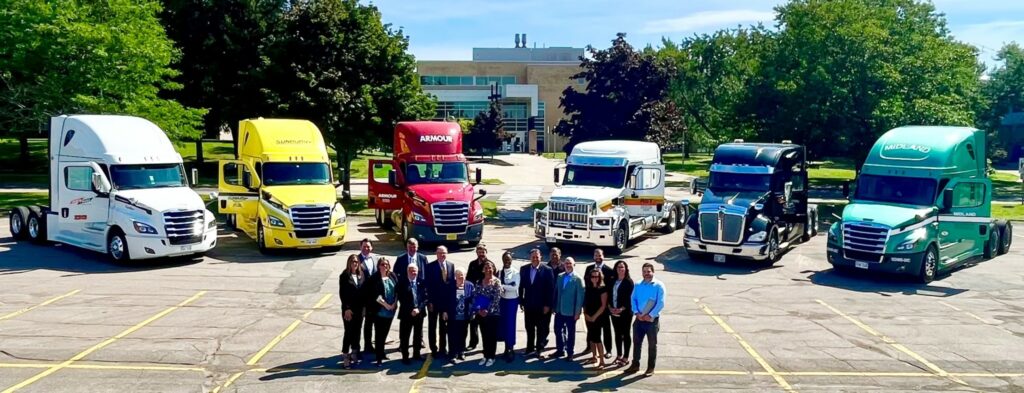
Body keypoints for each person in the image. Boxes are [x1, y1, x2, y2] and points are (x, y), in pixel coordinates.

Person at [625, 263, 666, 376]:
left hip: (651, 321)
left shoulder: (659, 285)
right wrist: (636, 313)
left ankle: (650, 367)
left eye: (648, 271)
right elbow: (633, 299)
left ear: (653, 272)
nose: (646, 274)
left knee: (652, 345)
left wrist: (650, 315)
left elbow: (661, 303)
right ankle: (635, 365)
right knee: (637, 343)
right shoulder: (638, 284)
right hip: (639, 319)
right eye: (644, 271)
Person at [519, 248, 555, 358]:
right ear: (530, 258)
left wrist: (548, 305)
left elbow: (551, 289)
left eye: (537, 257)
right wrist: (521, 301)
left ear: (541, 257)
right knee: (529, 328)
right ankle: (529, 348)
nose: (535, 259)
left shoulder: (547, 270)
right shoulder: (524, 269)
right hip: (529, 305)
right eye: (533, 257)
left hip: (542, 306)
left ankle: (539, 349)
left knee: (541, 329)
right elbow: (521, 287)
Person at [367, 257, 399, 367]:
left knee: (385, 333)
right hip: (380, 311)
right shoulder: (374, 278)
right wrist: (386, 305)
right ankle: (378, 357)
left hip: (391, 311)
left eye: (386, 264)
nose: (384, 266)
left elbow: (397, 291)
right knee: (379, 334)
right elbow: (375, 295)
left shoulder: (392, 276)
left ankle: (382, 352)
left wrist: (394, 304)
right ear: (378, 266)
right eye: (382, 264)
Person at [584, 248, 615, 359]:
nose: (598, 257)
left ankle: (608, 350)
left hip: (604, 306)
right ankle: (589, 347)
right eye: (596, 255)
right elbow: (587, 285)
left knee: (606, 329)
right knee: (591, 328)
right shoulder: (588, 269)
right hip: (591, 304)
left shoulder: (609, 270)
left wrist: (610, 305)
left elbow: (611, 289)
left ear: (603, 256)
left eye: (600, 255)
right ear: (593, 256)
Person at [425, 245, 455, 357]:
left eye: (444, 253)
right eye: (440, 253)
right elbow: (427, 286)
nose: (442, 255)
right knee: (432, 326)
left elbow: (451, 285)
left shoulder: (451, 265)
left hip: (445, 303)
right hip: (433, 302)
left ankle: (443, 348)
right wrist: (429, 302)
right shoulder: (430, 267)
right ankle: (433, 349)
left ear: (447, 254)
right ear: (436, 254)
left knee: (444, 326)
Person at [553, 257, 584, 360]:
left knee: (571, 333)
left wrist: (577, 312)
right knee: (557, 330)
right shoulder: (560, 277)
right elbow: (556, 293)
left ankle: (570, 352)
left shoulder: (578, 279)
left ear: (574, 265)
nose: (568, 265)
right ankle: (560, 350)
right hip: (559, 310)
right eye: (566, 263)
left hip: (571, 312)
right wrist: (555, 307)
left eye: (570, 263)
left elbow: (579, 298)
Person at [339, 254, 366, 369]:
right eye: (352, 261)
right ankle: (345, 355)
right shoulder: (344, 276)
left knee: (357, 331)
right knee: (348, 332)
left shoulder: (361, 275)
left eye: (356, 262)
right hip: (349, 309)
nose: (355, 263)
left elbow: (364, 292)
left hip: (359, 309)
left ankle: (354, 353)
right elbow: (342, 294)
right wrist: (347, 309)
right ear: (349, 263)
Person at [474, 260, 503, 367]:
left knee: (492, 336)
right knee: (484, 335)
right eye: (486, 268)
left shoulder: (497, 282)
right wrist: (479, 310)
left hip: (492, 314)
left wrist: (487, 310)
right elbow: (475, 296)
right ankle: (485, 355)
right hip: (481, 314)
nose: (488, 270)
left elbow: (496, 298)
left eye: (490, 268)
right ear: (483, 270)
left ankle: (491, 357)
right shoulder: (479, 282)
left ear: (493, 269)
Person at [398, 263, 427, 365]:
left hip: (419, 314)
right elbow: (401, 299)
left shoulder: (421, 282)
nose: (413, 272)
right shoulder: (402, 283)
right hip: (406, 314)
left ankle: (416, 354)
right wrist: (411, 309)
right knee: (405, 336)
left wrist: (418, 309)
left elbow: (425, 298)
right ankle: (405, 356)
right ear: (407, 272)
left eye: (415, 271)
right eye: (411, 270)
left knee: (418, 335)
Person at [465, 244, 491, 350]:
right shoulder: (472, 264)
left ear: (486, 252)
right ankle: (473, 342)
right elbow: (468, 279)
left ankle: (487, 345)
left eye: (483, 252)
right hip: (474, 296)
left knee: (485, 323)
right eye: (479, 252)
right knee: (473, 321)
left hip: (485, 297)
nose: (481, 254)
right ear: (476, 253)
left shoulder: (489, 264)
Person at [609, 260, 635, 367]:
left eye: (622, 267)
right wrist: (610, 307)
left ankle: (626, 357)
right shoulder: (612, 280)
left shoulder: (629, 282)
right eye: (618, 267)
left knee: (626, 333)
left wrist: (621, 308)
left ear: (626, 269)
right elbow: (609, 295)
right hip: (613, 311)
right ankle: (619, 355)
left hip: (625, 313)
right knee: (617, 334)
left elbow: (630, 298)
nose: (620, 269)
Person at [583, 266, 609, 367]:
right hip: (588, 316)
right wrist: (585, 314)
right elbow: (585, 302)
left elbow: (603, 306)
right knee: (591, 338)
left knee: (597, 338)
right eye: (593, 276)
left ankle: (601, 360)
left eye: (596, 277)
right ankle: (594, 357)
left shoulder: (603, 289)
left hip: (598, 317)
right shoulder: (589, 288)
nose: (594, 278)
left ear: (600, 277)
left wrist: (594, 317)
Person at [447, 269, 475, 363]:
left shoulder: (470, 285)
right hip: (453, 315)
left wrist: (473, 312)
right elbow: (445, 299)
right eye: (459, 276)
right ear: (455, 277)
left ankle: (461, 352)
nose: (461, 278)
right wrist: (444, 312)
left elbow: (473, 300)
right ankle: (453, 354)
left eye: (462, 276)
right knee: (452, 335)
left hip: (465, 315)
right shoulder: (450, 285)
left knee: (463, 334)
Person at [497, 251, 521, 362]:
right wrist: (507, 285)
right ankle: (506, 348)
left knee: (511, 325)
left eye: (509, 259)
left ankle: (511, 349)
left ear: (511, 260)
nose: (507, 261)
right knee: (503, 325)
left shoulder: (515, 273)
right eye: (505, 259)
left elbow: (515, 287)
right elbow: (498, 286)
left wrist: (503, 286)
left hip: (512, 301)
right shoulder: (500, 272)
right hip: (503, 301)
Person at [356, 239, 378, 355]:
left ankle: (368, 345)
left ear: (372, 248)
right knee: (358, 324)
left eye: (368, 247)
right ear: (360, 247)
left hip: (373, 299)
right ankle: (356, 348)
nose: (366, 249)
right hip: (361, 298)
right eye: (364, 246)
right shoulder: (356, 260)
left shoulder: (375, 259)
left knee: (370, 323)